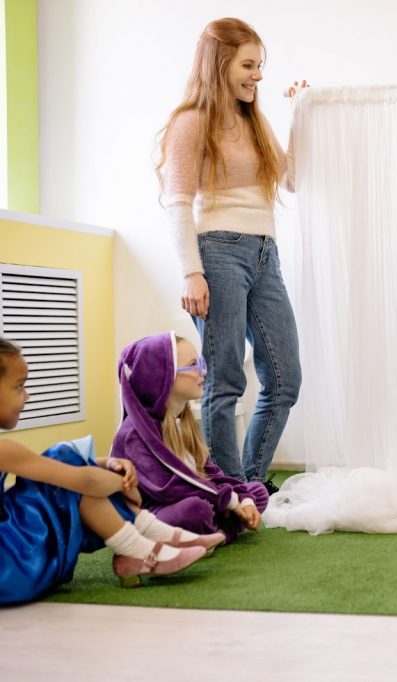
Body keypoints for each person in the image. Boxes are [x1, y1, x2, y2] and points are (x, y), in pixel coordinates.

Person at [157, 17, 305, 491]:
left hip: (266, 254)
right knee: (224, 383)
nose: (256, 75)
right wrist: (191, 273)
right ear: (219, 63)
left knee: (285, 379)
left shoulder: (252, 119)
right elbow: (177, 201)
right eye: (248, 64)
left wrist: (300, 112)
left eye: (259, 66)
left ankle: (250, 484)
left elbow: (294, 179)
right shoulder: (191, 121)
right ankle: (229, 492)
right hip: (217, 253)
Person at [0, 338, 214, 602]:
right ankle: (140, 545)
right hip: (13, 566)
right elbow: (85, 482)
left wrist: (108, 464)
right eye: (19, 387)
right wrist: (122, 484)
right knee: (66, 461)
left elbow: (50, 468)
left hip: (14, 562)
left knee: (64, 459)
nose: (27, 395)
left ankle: (149, 537)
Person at [112, 333, 268, 543]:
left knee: (256, 492)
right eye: (193, 365)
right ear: (161, 377)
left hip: (194, 497)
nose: (203, 371)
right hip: (150, 512)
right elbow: (170, 488)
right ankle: (221, 532)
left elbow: (210, 473)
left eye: (201, 363)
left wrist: (243, 499)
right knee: (196, 510)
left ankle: (210, 534)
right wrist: (230, 501)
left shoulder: (182, 421)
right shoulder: (133, 434)